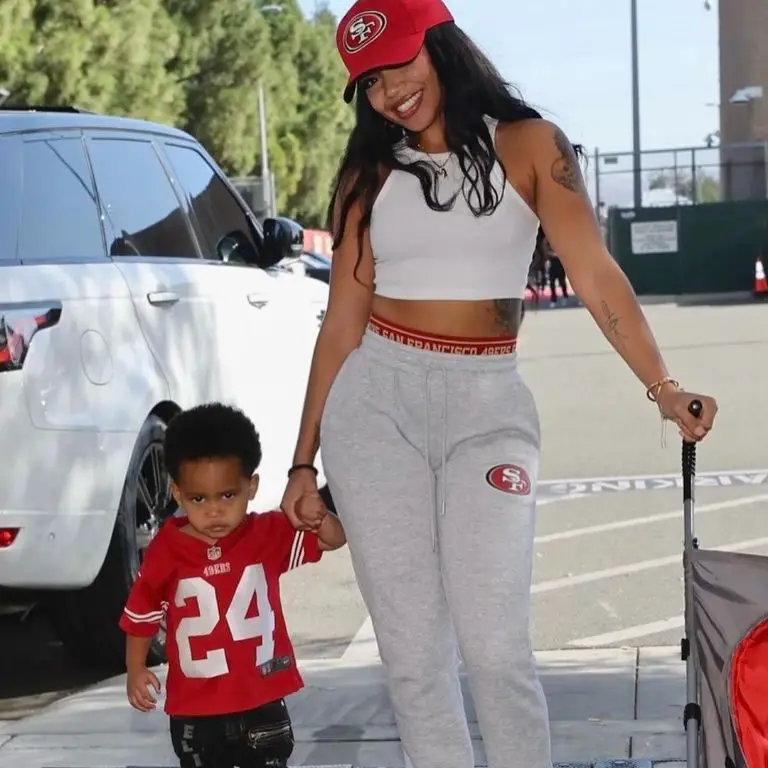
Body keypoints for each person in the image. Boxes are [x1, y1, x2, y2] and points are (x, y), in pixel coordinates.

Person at [280, 1, 719, 766]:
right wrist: (302, 461)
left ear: (440, 42)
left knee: (494, 648)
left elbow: (596, 276)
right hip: (377, 400)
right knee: (414, 660)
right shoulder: (370, 171)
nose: (390, 94)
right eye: (371, 82)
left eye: (400, 64)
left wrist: (663, 386)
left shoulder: (530, 145)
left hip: (488, 402)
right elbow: (341, 322)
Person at [119, 403, 346, 768]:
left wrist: (319, 517)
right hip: (196, 710)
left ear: (251, 486)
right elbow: (142, 611)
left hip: (263, 701)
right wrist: (135, 668)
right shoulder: (166, 549)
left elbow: (333, 540)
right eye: (198, 499)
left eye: (228, 495)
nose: (214, 511)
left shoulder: (266, 533)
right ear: (177, 493)